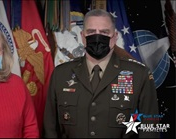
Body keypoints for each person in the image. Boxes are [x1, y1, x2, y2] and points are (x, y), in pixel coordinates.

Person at [43, 9, 159, 138]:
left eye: (104, 32)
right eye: (91, 32)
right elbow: (50, 129)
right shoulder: (61, 74)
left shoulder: (139, 75)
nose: (97, 38)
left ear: (115, 37)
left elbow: (150, 130)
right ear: (82, 36)